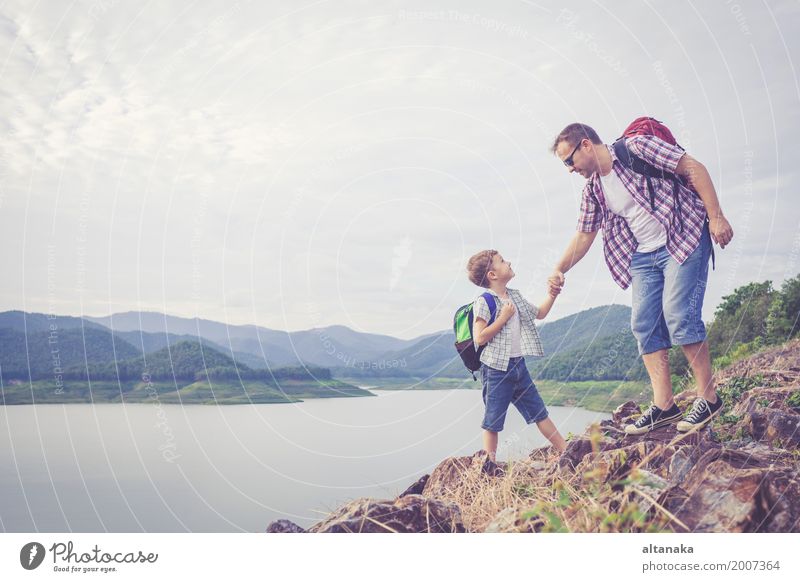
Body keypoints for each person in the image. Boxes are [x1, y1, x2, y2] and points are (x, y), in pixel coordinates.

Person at [548, 123, 734, 435]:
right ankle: (665, 406)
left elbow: (693, 167)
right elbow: (584, 235)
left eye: (569, 161)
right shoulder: (594, 188)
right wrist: (559, 268)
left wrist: (715, 216)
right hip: (643, 255)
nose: (570, 169)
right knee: (644, 324)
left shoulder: (637, 148)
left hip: (682, 236)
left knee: (679, 315)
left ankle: (709, 398)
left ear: (585, 145)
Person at [467, 249, 568, 461]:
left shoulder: (515, 296)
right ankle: (489, 464)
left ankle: (566, 451)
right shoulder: (484, 301)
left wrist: (552, 294)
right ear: (492, 275)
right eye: (502, 261)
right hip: (495, 370)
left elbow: (540, 313)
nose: (509, 261)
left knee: (539, 412)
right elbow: (479, 337)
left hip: (518, 365)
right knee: (493, 421)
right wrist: (503, 318)